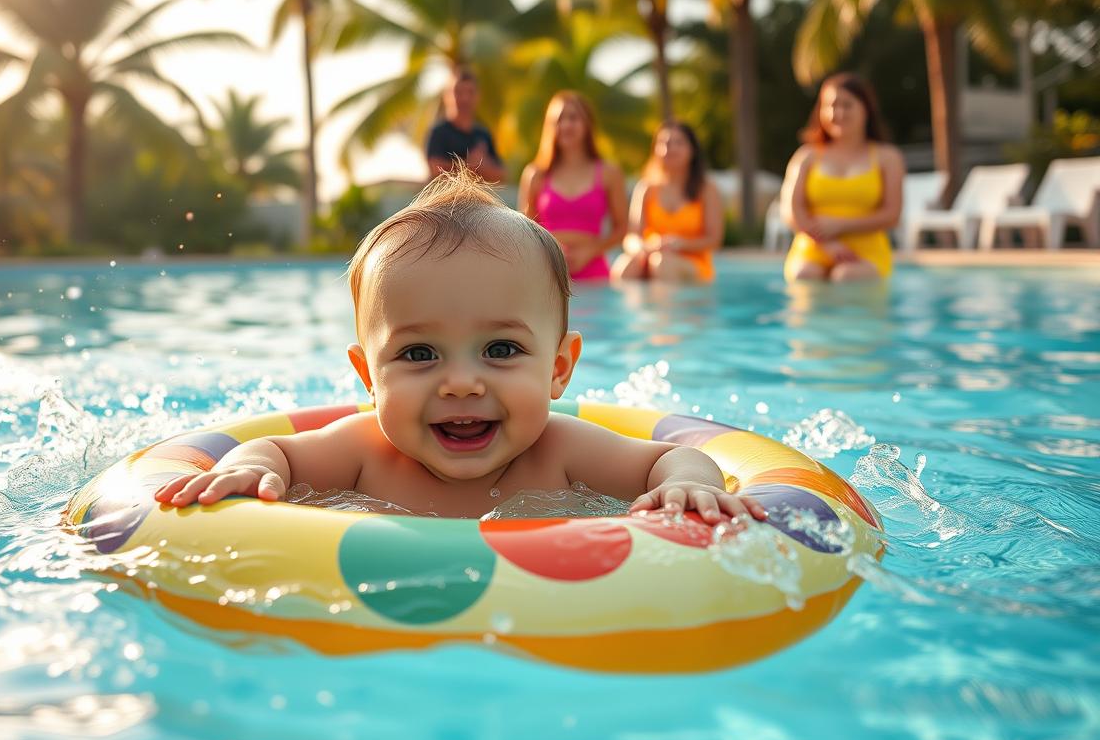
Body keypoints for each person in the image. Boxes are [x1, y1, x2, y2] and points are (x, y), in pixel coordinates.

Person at [155, 170, 766, 523]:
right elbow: (275, 453)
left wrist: (689, 484)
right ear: (368, 375)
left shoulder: (565, 453)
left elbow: (669, 460)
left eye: (500, 350)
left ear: (559, 369)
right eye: (419, 355)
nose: (461, 383)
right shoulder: (361, 453)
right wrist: (253, 467)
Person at [780, 72, 905, 282]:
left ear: (866, 109)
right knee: (805, 274)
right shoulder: (807, 156)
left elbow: (892, 214)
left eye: (847, 105)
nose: (837, 112)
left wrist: (841, 225)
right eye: (830, 105)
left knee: (847, 276)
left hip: (866, 250)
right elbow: (791, 211)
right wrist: (827, 243)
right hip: (813, 247)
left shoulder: (888, 158)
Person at [518, 91, 628, 282]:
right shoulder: (535, 174)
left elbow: (622, 228)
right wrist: (553, 253)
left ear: (587, 124)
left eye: (573, 118)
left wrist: (591, 251)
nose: (566, 125)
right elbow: (525, 230)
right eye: (559, 119)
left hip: (594, 271)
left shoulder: (609, 172)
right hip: (548, 271)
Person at [611, 122, 723, 284]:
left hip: (692, 263)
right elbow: (631, 237)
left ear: (692, 150)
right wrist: (642, 249)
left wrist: (680, 244)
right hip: (651, 256)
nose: (670, 148)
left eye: (679, 142)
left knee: (662, 263)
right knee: (625, 266)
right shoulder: (646, 188)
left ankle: (666, 309)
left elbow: (714, 240)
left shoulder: (707, 190)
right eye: (664, 143)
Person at [425, 66, 506, 183]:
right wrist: (472, 165)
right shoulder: (438, 133)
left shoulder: (483, 134)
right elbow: (435, 170)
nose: (465, 98)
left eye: (470, 92)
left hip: (478, 200)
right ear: (446, 96)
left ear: (478, 96)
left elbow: (501, 175)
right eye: (458, 92)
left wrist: (479, 166)